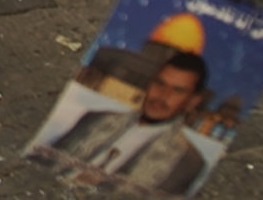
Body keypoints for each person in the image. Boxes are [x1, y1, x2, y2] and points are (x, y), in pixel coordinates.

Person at [46, 52, 217, 195]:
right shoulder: (96, 118)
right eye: (160, 83)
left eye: (177, 90)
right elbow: (47, 160)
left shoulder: (188, 161)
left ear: (192, 102)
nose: (162, 95)